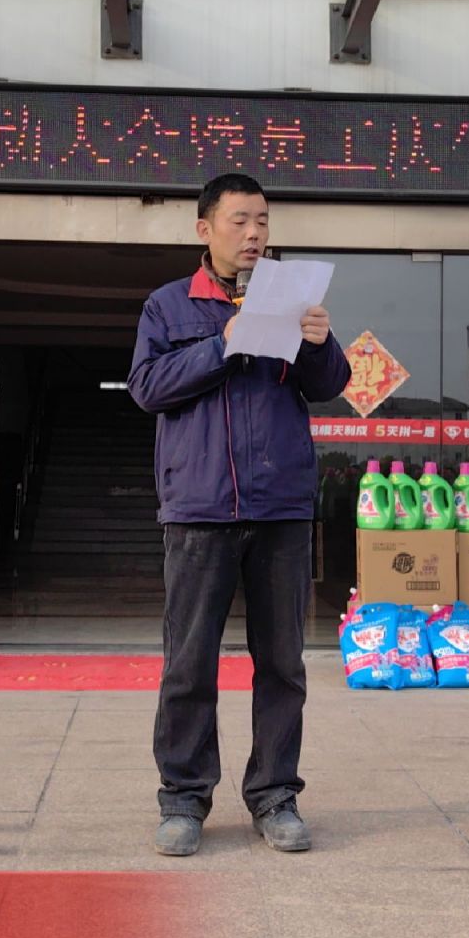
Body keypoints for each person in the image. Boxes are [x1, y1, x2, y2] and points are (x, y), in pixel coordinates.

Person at [128, 174, 349, 858]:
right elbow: (147, 387)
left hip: (280, 507)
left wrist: (319, 343)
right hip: (199, 509)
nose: (254, 234)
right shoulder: (169, 305)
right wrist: (222, 341)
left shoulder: (294, 299)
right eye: (240, 221)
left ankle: (275, 795)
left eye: (263, 221)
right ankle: (184, 799)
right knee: (188, 665)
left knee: (282, 664)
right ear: (205, 229)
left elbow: (330, 386)